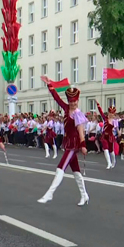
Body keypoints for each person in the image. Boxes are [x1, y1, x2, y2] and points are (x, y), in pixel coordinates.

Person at [37, 76, 89, 206]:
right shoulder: (66, 108)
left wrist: (83, 145)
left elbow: (81, 132)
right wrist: (50, 85)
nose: (73, 103)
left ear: (77, 101)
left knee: (60, 168)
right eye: (71, 101)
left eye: (75, 101)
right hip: (68, 143)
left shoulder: (78, 114)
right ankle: (84, 195)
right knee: (76, 171)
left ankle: (50, 194)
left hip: (74, 145)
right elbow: (56, 98)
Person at [96, 101, 118, 169]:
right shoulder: (105, 118)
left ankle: (113, 161)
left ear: (114, 114)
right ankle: (109, 163)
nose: (111, 114)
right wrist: (98, 104)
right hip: (104, 136)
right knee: (105, 148)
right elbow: (101, 111)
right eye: (110, 113)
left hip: (110, 136)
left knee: (111, 151)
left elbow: (116, 129)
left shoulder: (115, 121)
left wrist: (119, 133)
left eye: (112, 113)